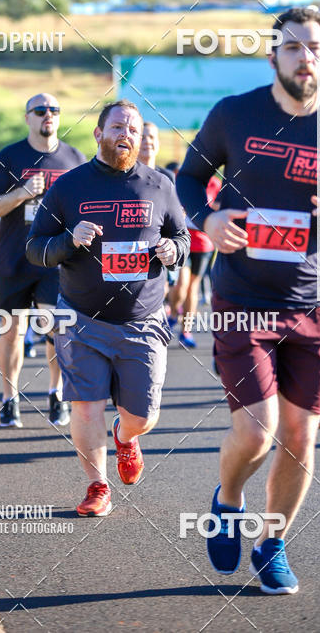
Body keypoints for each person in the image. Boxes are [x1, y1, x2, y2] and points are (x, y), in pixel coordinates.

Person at [176, 7, 320, 594]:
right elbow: (188, 178)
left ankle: (272, 545)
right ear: (273, 56)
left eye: (314, 48)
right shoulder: (235, 114)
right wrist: (208, 218)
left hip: (316, 299)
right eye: (292, 47)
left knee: (300, 436)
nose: (305, 57)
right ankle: (228, 500)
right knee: (257, 431)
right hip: (244, 295)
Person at [27, 100, 190, 517]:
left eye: (133, 129)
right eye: (118, 127)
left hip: (142, 321)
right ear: (98, 133)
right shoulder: (69, 186)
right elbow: (35, 248)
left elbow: (183, 238)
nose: (126, 135)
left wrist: (174, 250)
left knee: (143, 417)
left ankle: (126, 435)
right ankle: (97, 485)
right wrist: (68, 240)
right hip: (81, 317)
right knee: (85, 405)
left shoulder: (159, 185)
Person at [0, 94, 86, 428]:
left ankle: (56, 393)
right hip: (14, 258)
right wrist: (22, 193)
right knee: (12, 331)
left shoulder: (74, 158)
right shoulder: (10, 156)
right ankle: (9, 399)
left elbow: (86, 208)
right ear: (28, 117)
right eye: (40, 110)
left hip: (56, 260)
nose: (48, 115)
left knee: (57, 329)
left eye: (54, 110)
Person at [168, 174, 220, 348]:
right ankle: (173, 314)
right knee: (181, 285)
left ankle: (186, 331)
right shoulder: (183, 178)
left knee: (192, 287)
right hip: (183, 240)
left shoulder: (216, 184)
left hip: (204, 244)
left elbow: (220, 208)